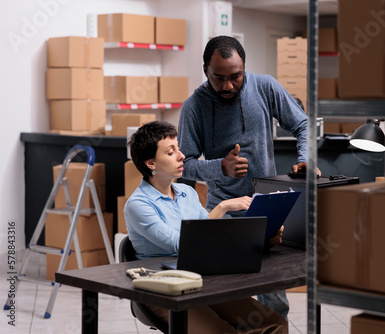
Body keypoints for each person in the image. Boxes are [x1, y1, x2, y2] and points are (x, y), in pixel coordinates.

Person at [178, 35, 321, 320]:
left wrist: (306, 158)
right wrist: (220, 167)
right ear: (205, 69)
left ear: (245, 67)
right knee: (225, 290)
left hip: (266, 206)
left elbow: (303, 123)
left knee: (273, 294)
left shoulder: (265, 86)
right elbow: (186, 165)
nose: (228, 85)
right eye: (219, 78)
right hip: (224, 209)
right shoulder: (193, 107)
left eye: (236, 76)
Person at [124, 120, 288, 334]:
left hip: (204, 281)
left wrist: (259, 236)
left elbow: (209, 234)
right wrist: (223, 206)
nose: (182, 156)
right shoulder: (138, 204)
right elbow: (181, 243)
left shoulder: (187, 193)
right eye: (171, 152)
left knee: (275, 323)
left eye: (179, 148)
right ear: (151, 163)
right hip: (164, 290)